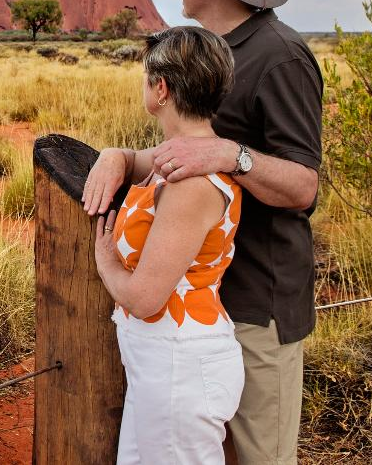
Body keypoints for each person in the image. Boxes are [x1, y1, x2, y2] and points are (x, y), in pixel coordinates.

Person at [84, 0, 323, 465]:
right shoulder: (215, 52)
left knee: (260, 457)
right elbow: (184, 151)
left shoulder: (279, 56)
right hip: (202, 302)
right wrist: (118, 157)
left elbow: (304, 184)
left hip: (257, 302)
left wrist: (230, 156)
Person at [92, 25, 244, 465]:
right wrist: (113, 155)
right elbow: (139, 161)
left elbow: (143, 298)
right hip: (163, 365)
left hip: (180, 367)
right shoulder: (181, 156)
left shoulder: (191, 182)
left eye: (146, 78)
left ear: (161, 88)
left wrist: (106, 263)